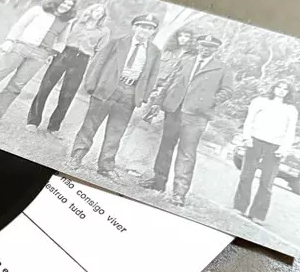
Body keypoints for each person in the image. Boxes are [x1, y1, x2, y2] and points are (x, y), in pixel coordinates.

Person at [140, 34, 234, 206]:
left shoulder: (222, 68)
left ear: (216, 50)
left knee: (187, 153)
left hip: (196, 116)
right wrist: (159, 102)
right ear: (198, 46)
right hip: (174, 109)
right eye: (203, 45)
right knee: (166, 147)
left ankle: (179, 193)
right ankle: (158, 182)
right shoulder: (186, 61)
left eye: (210, 47)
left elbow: (228, 91)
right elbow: (170, 81)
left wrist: (209, 102)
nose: (206, 49)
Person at [68, 13, 161, 179]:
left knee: (116, 132)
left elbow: (152, 75)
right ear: (134, 27)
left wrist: (143, 96)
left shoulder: (154, 51)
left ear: (153, 31)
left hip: (130, 93)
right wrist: (91, 85)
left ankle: (105, 166)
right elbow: (98, 62)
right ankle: (77, 156)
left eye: (149, 28)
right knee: (90, 125)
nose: (145, 31)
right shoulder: (116, 42)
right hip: (108, 88)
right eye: (142, 26)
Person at [25, 3, 111, 136]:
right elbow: (61, 39)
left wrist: (91, 66)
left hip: (82, 60)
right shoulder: (76, 22)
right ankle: (33, 121)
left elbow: (99, 51)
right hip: (64, 54)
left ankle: (54, 127)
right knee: (45, 87)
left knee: (67, 94)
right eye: (96, 10)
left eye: (101, 12)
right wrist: (52, 53)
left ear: (103, 16)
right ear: (91, 10)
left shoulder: (104, 31)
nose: (98, 13)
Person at [233, 80, 298, 224]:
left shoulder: (291, 110)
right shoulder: (260, 102)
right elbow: (249, 120)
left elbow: (290, 131)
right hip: (255, 141)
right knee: (246, 176)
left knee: (267, 181)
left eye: (285, 89)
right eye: (279, 87)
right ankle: (239, 207)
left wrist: (284, 148)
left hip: (275, 147)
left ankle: (258, 214)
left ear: (288, 92)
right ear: (273, 88)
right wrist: (246, 137)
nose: (281, 90)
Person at [142, 28, 195, 123]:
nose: (182, 38)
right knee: (141, 114)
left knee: (159, 120)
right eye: (180, 36)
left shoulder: (192, 57)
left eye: (186, 36)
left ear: (191, 39)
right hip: (156, 86)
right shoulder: (168, 51)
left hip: (171, 90)